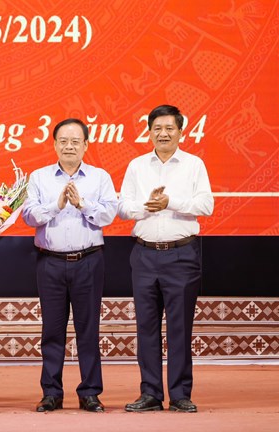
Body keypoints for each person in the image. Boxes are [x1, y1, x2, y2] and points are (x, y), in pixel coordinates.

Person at [119, 104, 214, 413]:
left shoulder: (194, 165)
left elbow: (206, 205)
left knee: (179, 327)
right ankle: (150, 393)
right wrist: (149, 207)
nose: (163, 133)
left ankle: (181, 393)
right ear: (149, 132)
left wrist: (170, 201)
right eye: (157, 128)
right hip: (144, 254)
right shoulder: (136, 166)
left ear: (181, 132)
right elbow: (124, 208)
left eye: (169, 128)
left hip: (181, 254)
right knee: (145, 327)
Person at [22, 118, 118, 413]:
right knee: (52, 330)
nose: (69, 146)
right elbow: (28, 215)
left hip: (88, 261)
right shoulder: (39, 177)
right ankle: (51, 391)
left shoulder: (100, 177)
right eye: (63, 141)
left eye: (75, 141)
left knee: (88, 329)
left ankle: (90, 392)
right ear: (54, 144)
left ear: (86, 145)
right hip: (50, 263)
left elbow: (109, 215)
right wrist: (57, 205)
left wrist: (82, 204)